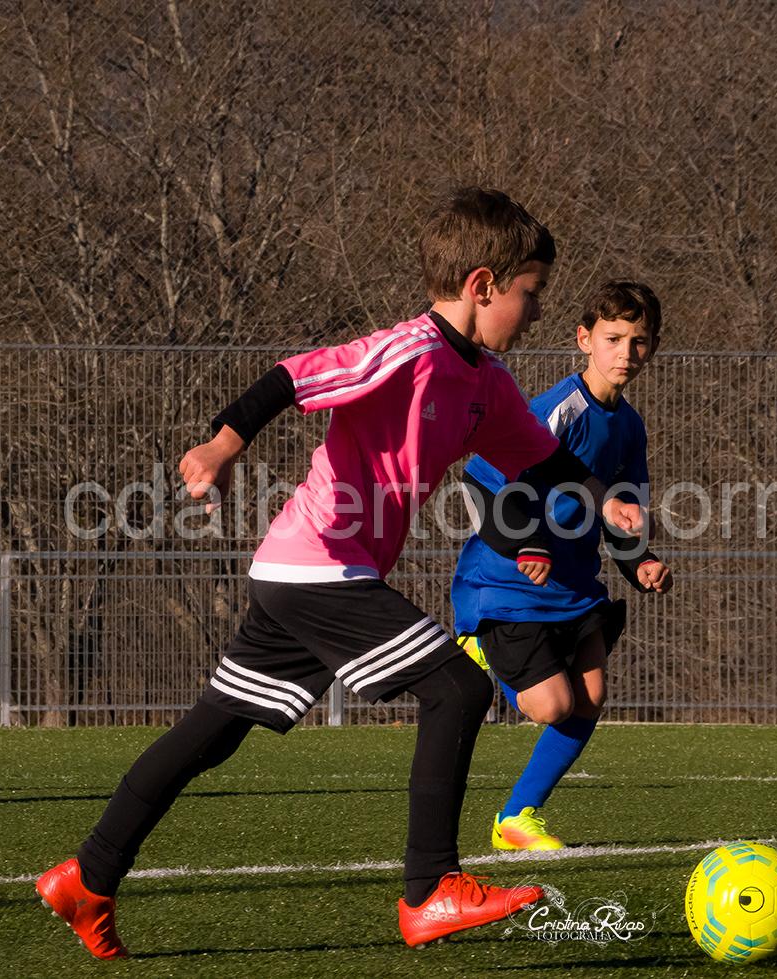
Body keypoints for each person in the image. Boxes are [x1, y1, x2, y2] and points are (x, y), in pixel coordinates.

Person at [35, 188, 645, 958]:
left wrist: (604, 498)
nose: (536, 311)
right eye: (531, 292)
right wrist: (222, 445)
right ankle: (430, 888)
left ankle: (88, 876)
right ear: (483, 285)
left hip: (305, 573)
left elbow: (546, 457)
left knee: (212, 731)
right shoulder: (408, 350)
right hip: (317, 563)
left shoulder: (486, 383)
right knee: (458, 687)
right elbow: (292, 377)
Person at [452, 280, 673, 851]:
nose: (626, 352)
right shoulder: (559, 409)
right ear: (584, 339)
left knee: (590, 698)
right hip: (507, 581)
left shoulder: (630, 426)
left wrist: (640, 562)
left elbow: (620, 515)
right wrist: (525, 543)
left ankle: (516, 818)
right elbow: (480, 481)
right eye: (613, 338)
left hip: (573, 584)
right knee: (551, 705)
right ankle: (479, 643)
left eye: (639, 341)